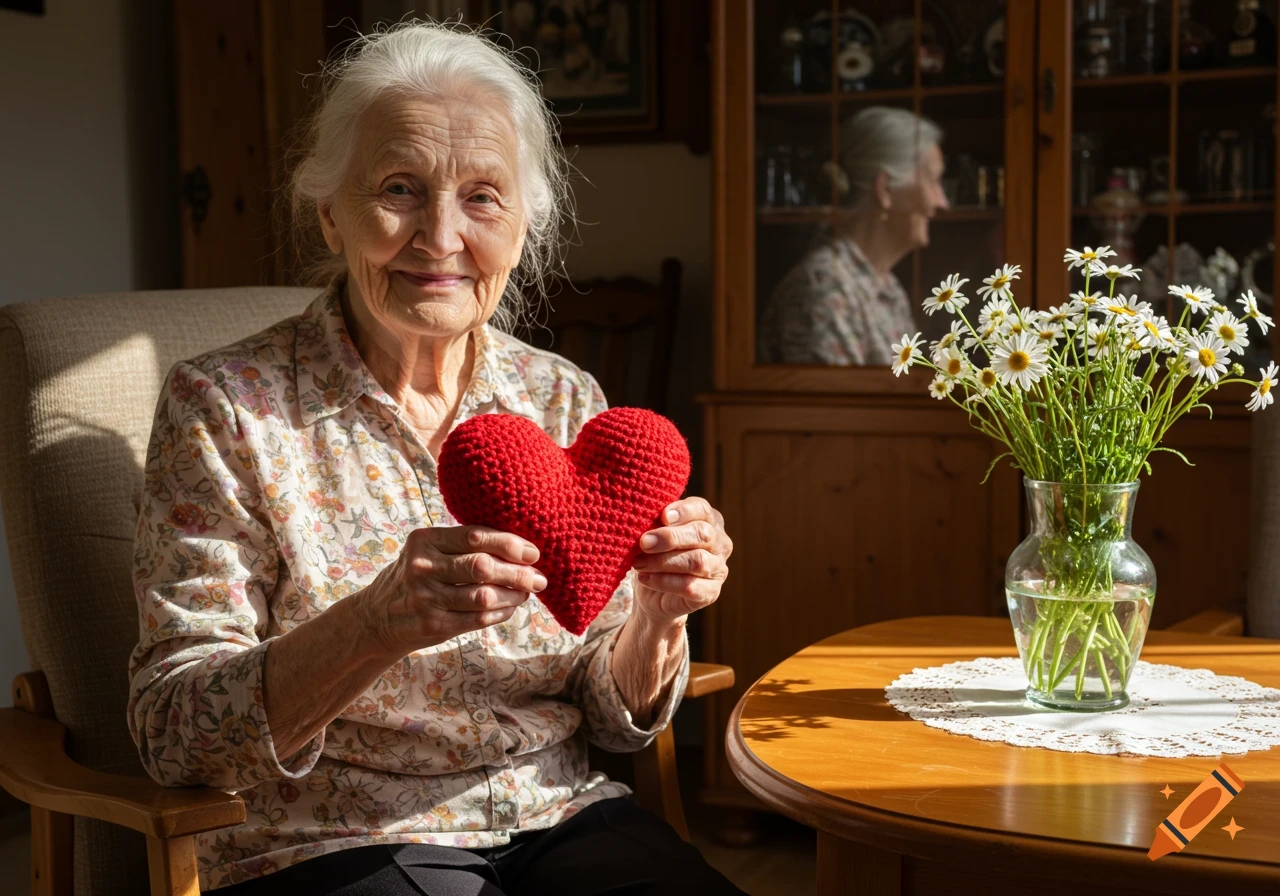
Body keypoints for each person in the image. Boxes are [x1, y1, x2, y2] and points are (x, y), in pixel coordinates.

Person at [127, 22, 739, 895]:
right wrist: (372, 625)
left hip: (560, 815)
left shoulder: (565, 399)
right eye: (401, 189)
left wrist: (660, 616)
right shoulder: (226, 409)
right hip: (328, 840)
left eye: (483, 197)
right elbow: (172, 732)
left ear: (525, 226)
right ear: (332, 214)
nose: (441, 236)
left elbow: (612, 716)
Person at [757, 106, 949, 366]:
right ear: (885, 190)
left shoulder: (886, 286)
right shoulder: (825, 288)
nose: (942, 203)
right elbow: (839, 405)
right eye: (933, 180)